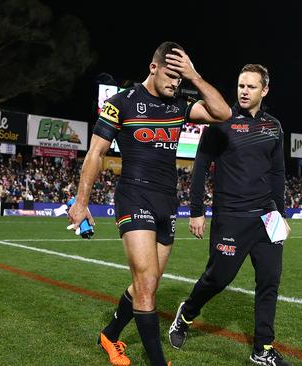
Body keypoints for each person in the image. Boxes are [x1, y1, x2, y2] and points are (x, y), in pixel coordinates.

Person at [68, 41, 231, 366]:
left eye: (179, 78)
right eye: (171, 75)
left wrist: (195, 77)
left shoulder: (179, 105)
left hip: (166, 202)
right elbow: (96, 153)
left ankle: (110, 335)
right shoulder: (119, 103)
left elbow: (223, 113)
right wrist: (81, 201)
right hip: (133, 196)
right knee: (145, 286)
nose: (175, 83)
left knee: (149, 284)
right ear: (153, 68)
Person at [168, 64, 292, 366]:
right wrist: (196, 211)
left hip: (267, 217)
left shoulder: (273, 126)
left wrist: (281, 213)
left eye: (251, 87)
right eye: (240, 86)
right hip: (231, 218)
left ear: (265, 90)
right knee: (217, 279)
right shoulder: (221, 120)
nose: (244, 91)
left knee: (269, 282)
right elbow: (200, 167)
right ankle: (185, 314)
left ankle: (262, 349)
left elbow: (277, 173)